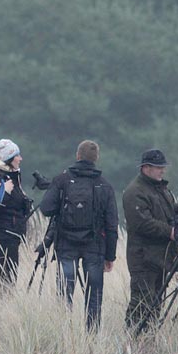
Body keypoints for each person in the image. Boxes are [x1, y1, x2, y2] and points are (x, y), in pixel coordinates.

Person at [39, 140, 118, 332]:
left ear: (77, 156)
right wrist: (110, 256)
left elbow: (46, 209)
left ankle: (64, 335)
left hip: (66, 244)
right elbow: (112, 225)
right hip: (95, 247)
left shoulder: (61, 180)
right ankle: (91, 338)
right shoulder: (104, 185)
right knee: (94, 297)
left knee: (65, 294)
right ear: (96, 159)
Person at [122, 149, 178, 333]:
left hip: (160, 257)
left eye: (163, 167)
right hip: (143, 258)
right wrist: (172, 232)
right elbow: (143, 223)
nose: (162, 171)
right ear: (145, 168)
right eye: (158, 167)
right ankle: (133, 340)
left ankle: (148, 341)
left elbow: (169, 212)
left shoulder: (160, 189)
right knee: (141, 302)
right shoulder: (135, 191)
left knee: (156, 304)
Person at [0, 139, 32, 291]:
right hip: (2, 235)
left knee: (9, 277)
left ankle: (2, 307)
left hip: (12, 234)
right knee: (5, 278)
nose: (21, 158)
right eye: (17, 155)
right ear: (9, 158)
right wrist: (6, 193)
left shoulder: (12, 175)